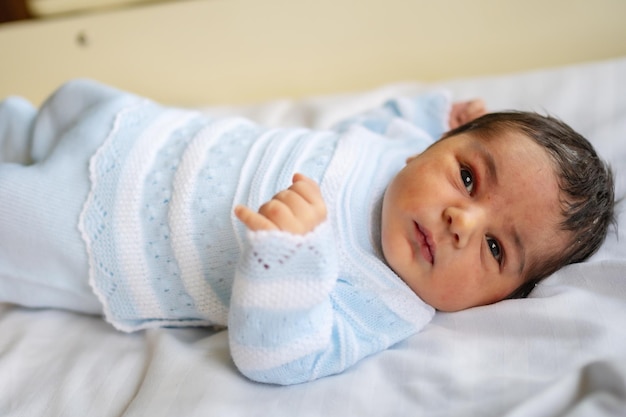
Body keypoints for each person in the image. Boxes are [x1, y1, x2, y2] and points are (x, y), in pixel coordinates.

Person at [0, 79, 614, 385]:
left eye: (495, 248)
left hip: (93, 235)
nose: (462, 221)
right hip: (138, 131)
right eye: (470, 178)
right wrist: (438, 114)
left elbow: (282, 356)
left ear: (499, 300)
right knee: (31, 118)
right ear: (432, 149)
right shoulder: (399, 151)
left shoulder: (384, 303)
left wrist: (287, 263)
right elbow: (390, 118)